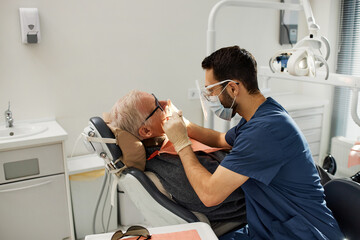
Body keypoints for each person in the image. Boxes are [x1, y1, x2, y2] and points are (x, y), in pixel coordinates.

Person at [163, 46, 344, 239]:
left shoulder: (264, 131)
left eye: (212, 90)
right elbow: (220, 139)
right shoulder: (260, 115)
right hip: (271, 228)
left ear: (233, 88)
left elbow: (209, 195)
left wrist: (182, 143)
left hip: (303, 234)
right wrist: (185, 126)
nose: (209, 98)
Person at [108, 90, 247, 224]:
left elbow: (224, 141)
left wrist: (188, 128)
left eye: (156, 97)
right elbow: (238, 186)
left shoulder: (169, 143)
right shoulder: (174, 167)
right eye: (157, 105)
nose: (166, 103)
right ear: (146, 131)